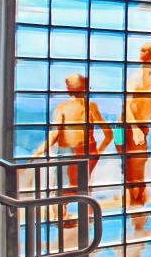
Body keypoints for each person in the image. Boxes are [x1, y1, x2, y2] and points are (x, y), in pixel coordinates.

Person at [32, 74, 112, 220]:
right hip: (82, 151)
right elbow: (109, 134)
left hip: (76, 152)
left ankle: (70, 219)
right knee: (79, 188)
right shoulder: (88, 107)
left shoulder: (67, 108)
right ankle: (79, 219)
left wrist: (37, 153)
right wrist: (98, 152)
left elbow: (54, 135)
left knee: (64, 190)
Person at [119, 42, 151, 233]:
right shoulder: (136, 79)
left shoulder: (150, 80)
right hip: (129, 129)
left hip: (138, 129)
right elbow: (127, 106)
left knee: (136, 168)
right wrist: (135, 128)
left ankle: (137, 213)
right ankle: (136, 213)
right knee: (134, 170)